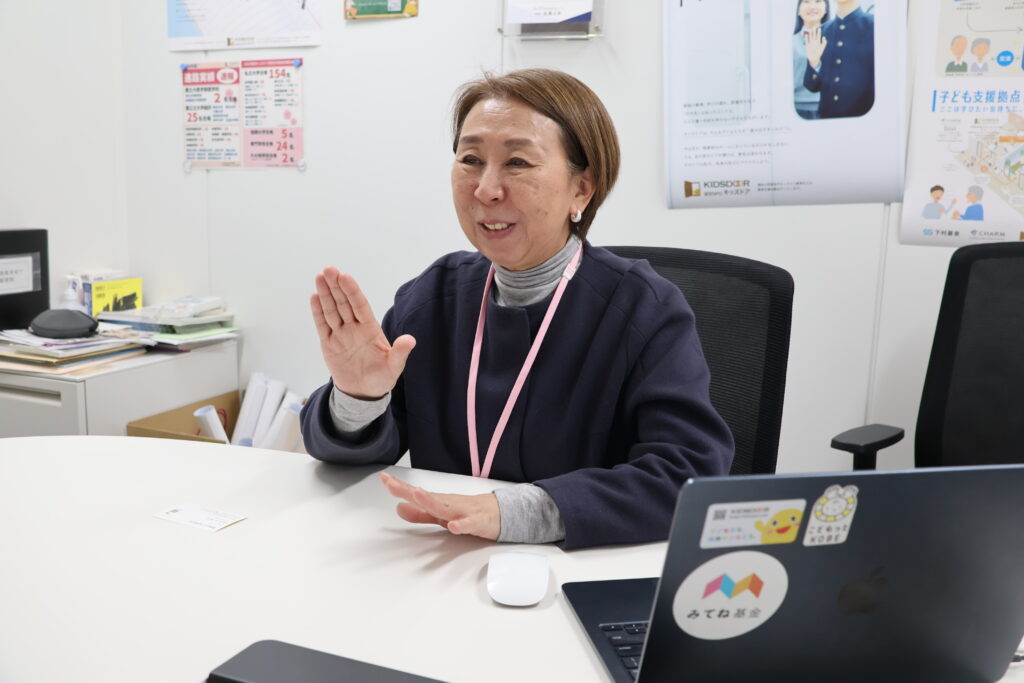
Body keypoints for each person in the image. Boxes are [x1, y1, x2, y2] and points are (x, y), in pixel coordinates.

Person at [300, 69, 734, 550]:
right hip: (442, 560)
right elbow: (360, 454)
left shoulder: (644, 309)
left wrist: (515, 513)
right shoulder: (433, 297)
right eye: (470, 159)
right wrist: (359, 399)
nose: (486, 189)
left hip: (578, 570)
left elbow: (688, 475)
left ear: (582, 189)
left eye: (518, 162)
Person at [803, 0, 874, 118]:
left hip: (863, 120)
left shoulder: (875, 26)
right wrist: (814, 64)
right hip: (826, 120)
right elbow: (812, 87)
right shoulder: (820, 31)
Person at [793, 0, 830, 120]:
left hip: (832, 108)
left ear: (826, 8)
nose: (812, 6)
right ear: (798, 10)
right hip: (798, 108)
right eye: (806, 1)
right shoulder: (789, 43)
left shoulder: (837, 41)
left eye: (818, 1)